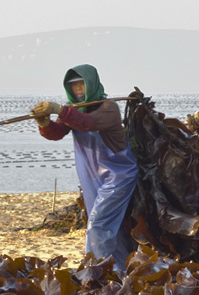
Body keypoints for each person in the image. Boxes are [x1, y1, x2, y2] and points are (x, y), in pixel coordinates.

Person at [31, 64, 138, 269]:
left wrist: (60, 110)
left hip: (118, 175)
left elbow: (87, 123)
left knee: (98, 225)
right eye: (74, 88)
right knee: (114, 230)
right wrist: (44, 123)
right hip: (91, 178)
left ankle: (96, 272)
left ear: (91, 85)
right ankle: (121, 273)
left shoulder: (109, 108)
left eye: (82, 86)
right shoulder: (74, 112)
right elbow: (57, 132)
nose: (78, 91)